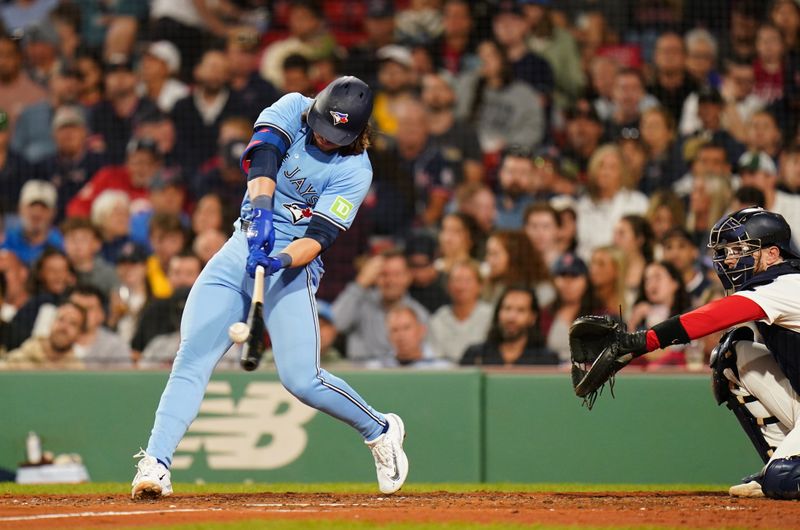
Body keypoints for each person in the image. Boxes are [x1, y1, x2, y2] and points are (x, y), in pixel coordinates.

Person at [130, 77, 409, 499]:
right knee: (191, 356)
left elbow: (318, 238)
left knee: (302, 380)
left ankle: (380, 429)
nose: (321, 136)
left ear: (356, 133)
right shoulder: (292, 108)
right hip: (243, 242)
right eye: (320, 126)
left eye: (334, 135)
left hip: (293, 265)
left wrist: (279, 259)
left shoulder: (355, 170)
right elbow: (263, 158)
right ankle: (157, 463)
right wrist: (260, 214)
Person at [579, 207, 800, 499]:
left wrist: (641, 341)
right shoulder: (776, 282)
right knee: (732, 353)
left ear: (773, 254)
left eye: (741, 250)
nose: (730, 259)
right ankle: (778, 460)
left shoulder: (786, 282)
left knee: (784, 480)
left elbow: (713, 317)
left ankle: (782, 469)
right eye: (726, 251)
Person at [333, 250, 429, 364]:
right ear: (374, 277)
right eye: (384, 274)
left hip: (401, 376)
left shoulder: (419, 314)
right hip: (361, 375)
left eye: (397, 274)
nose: (390, 281)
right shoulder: (360, 303)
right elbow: (335, 324)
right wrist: (360, 283)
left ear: (408, 276)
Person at [460, 285, 558, 366]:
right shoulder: (475, 355)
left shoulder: (546, 360)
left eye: (521, 310)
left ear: (532, 318)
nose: (511, 317)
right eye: (507, 308)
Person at [429, 259, 492, 363]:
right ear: (448, 286)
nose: (461, 286)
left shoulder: (491, 316)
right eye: (456, 280)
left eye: (467, 281)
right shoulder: (438, 319)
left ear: (480, 286)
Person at [0, 300, 85, 369]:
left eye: (73, 323)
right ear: (51, 323)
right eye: (61, 319)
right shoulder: (18, 360)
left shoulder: (78, 372)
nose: (64, 327)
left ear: (80, 334)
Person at [2, 180, 63, 266]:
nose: (36, 213)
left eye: (44, 207)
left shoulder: (62, 245)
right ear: (19, 208)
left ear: (53, 212)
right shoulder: (6, 241)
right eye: (31, 206)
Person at [68, 284, 131, 367]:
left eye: (89, 309)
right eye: (77, 307)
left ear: (101, 314)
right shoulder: (54, 341)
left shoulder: (115, 347)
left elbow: (122, 379)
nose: (82, 314)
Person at [382, 304, 452, 369]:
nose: (401, 335)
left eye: (406, 328)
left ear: (421, 330)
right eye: (395, 330)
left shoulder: (442, 368)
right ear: (389, 337)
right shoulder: (378, 368)